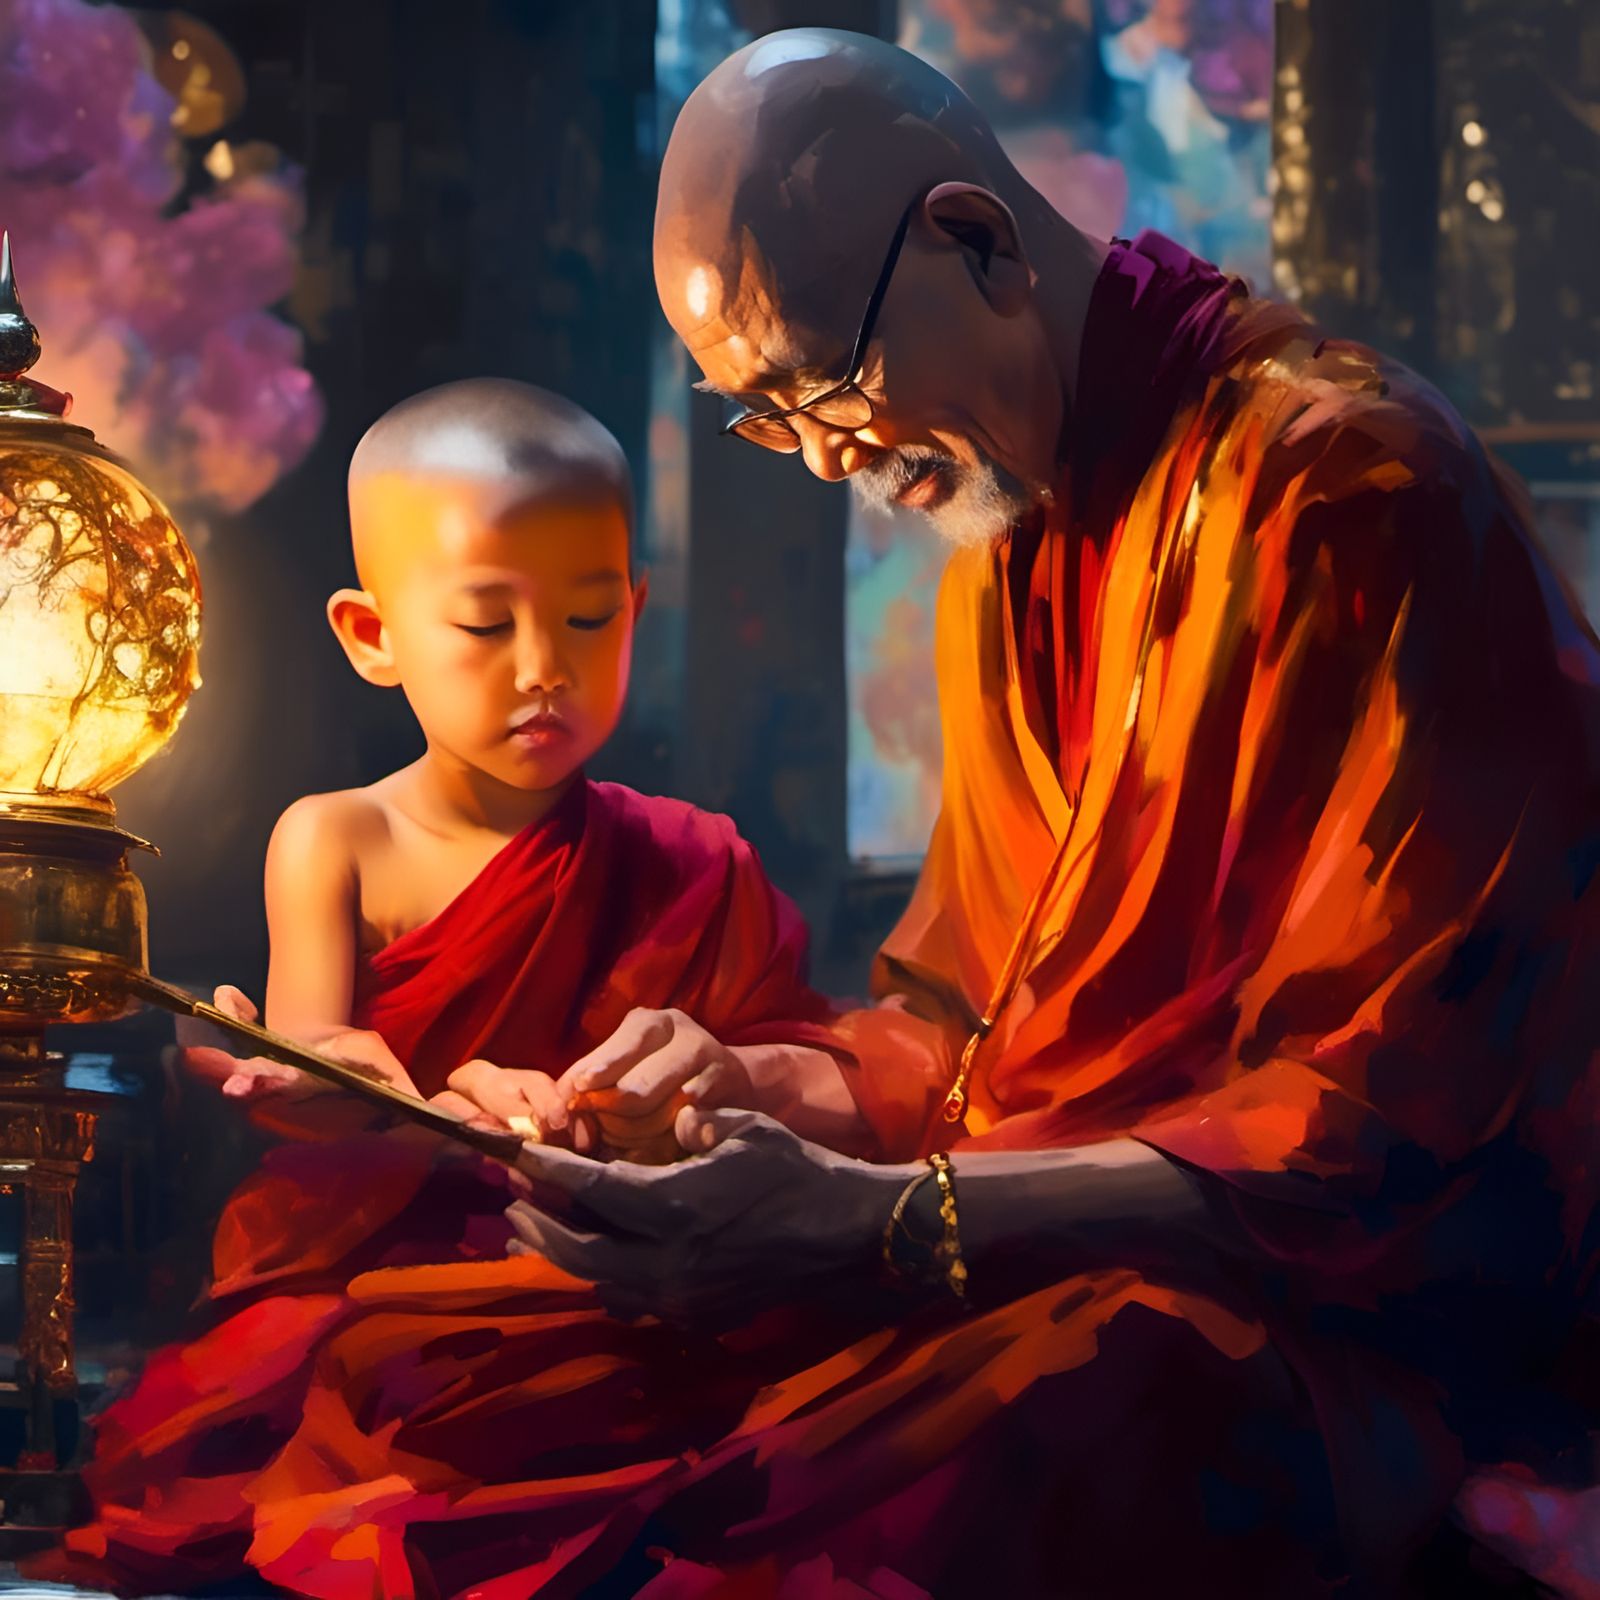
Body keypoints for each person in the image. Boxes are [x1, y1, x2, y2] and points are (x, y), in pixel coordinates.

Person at [479, 25, 1598, 1596]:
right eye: (764, 413)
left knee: (946, 1465)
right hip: (1044, 1235)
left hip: (1347, 1317)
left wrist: (880, 1228)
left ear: (979, 242)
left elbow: (1368, 1137)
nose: (823, 461)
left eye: (831, 385)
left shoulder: (1346, 494)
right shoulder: (1006, 540)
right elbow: (978, 1024)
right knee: (467, 1360)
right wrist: (767, 1090)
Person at [27, 379, 855, 1597]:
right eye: (484, 625)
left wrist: (662, 1108)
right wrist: (346, 1084)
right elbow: (312, 1068)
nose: (544, 670)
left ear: (636, 608)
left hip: (629, 1264)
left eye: (587, 619)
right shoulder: (337, 839)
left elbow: (792, 1073)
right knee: (395, 1380)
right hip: (394, 1266)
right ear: (374, 635)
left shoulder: (692, 857)